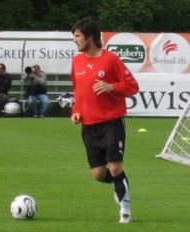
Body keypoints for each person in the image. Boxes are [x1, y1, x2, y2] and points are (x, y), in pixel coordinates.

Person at [70, 17, 139, 223]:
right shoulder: (76, 62)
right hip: (89, 125)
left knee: (115, 167)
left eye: (78, 36)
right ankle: (119, 185)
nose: (75, 41)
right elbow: (78, 91)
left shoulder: (111, 60)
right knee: (99, 174)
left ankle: (125, 208)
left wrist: (112, 87)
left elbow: (133, 86)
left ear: (90, 36)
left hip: (112, 121)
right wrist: (76, 111)